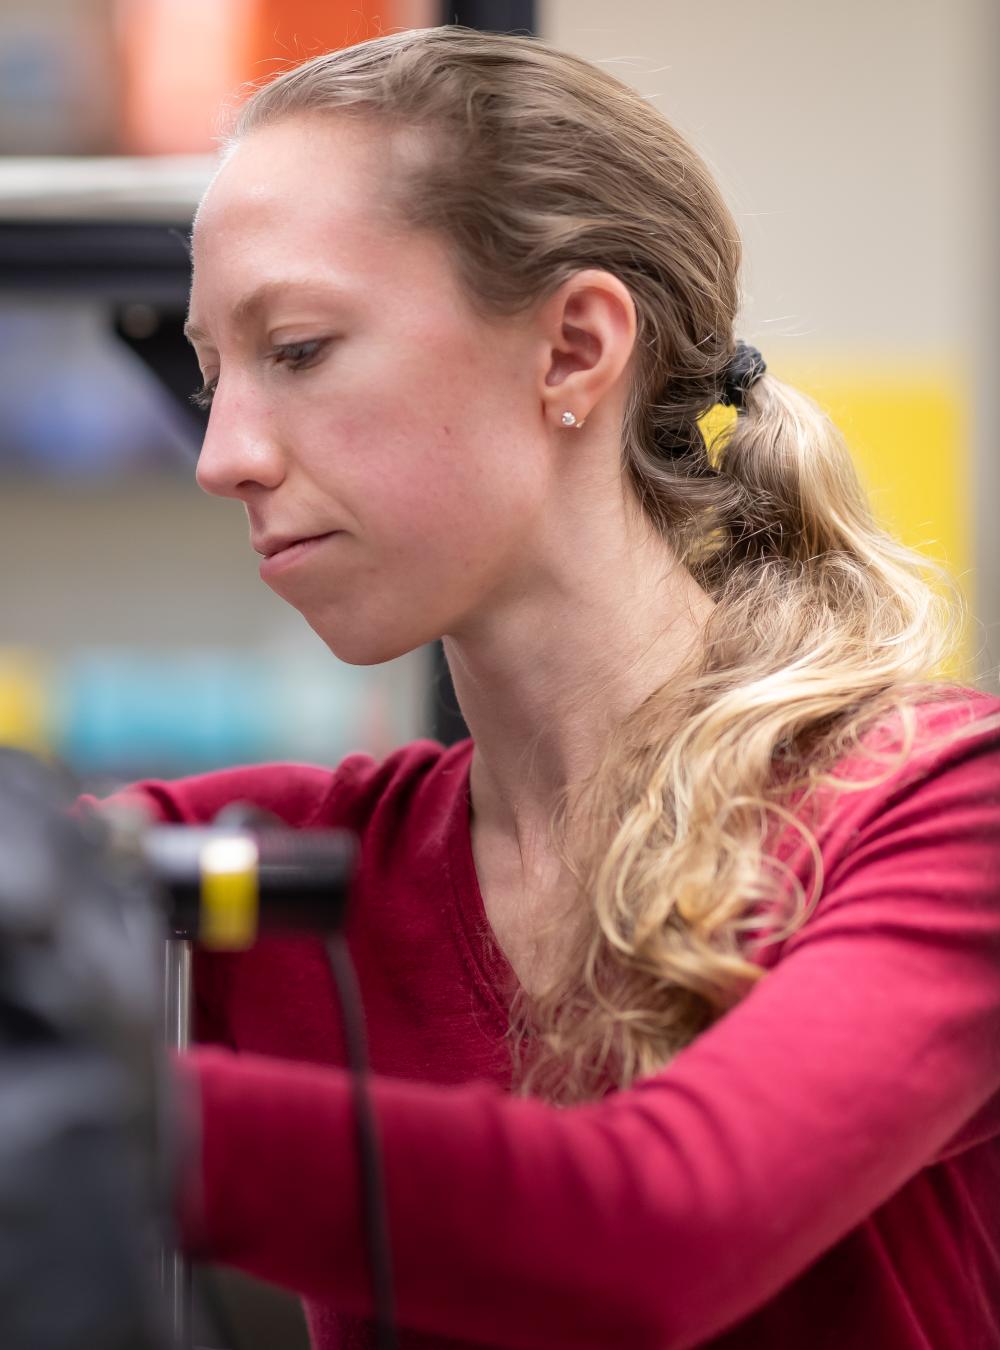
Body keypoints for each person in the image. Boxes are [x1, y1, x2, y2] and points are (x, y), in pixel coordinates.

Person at [86, 25, 1000, 1350]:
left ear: (574, 347)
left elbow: (653, 1233)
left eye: (296, 349)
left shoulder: (933, 810)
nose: (222, 455)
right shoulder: (287, 861)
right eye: (212, 376)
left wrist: (110, 1116)